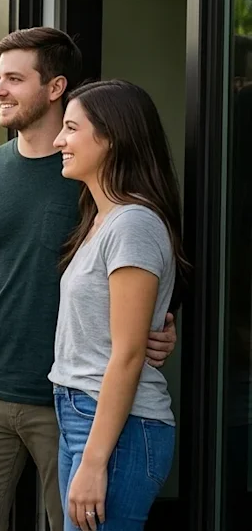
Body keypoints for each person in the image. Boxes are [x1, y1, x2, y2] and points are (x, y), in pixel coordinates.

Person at [0, 27, 179, 531]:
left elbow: (141, 269)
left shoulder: (92, 182)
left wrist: (158, 327)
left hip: (69, 403)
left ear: (55, 87)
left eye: (14, 78)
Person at [49, 80, 185, 530]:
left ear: (110, 137)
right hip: (83, 416)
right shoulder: (102, 218)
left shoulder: (133, 224)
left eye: (71, 128)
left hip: (115, 429)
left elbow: (127, 355)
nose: (59, 140)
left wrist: (94, 461)